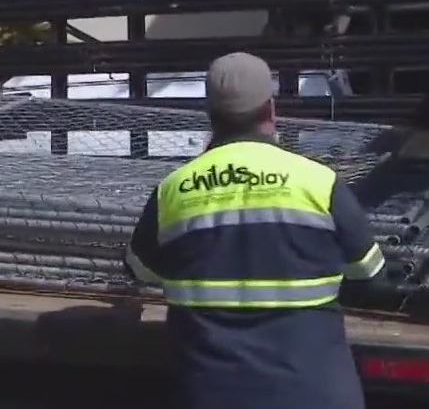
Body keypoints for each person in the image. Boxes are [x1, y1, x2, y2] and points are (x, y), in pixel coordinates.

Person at [124, 52, 385, 409]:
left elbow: (140, 269)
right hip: (314, 395)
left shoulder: (174, 189)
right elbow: (370, 275)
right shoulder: (318, 182)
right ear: (271, 109)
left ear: (210, 114)